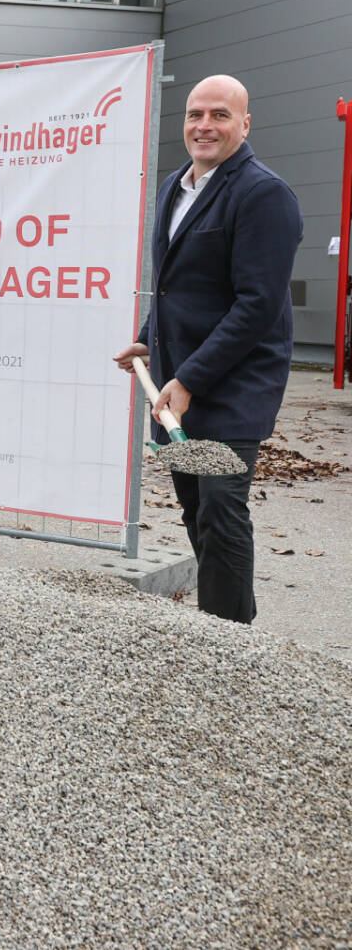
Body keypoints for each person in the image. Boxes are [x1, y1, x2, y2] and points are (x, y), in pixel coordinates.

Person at [114, 74, 302, 624]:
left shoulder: (264, 194)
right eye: (196, 114)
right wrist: (149, 340)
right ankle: (219, 626)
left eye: (220, 115)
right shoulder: (176, 186)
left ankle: (228, 639)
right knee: (196, 509)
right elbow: (175, 285)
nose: (205, 125)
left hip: (233, 384)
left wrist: (191, 379)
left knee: (222, 510)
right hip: (179, 383)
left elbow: (257, 305)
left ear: (245, 124)